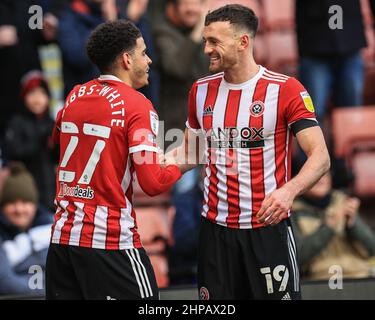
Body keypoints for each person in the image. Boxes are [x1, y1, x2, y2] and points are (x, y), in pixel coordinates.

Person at [163, 4, 330, 300]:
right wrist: (151, 165)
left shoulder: (285, 89)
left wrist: (289, 192)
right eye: (205, 40)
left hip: (267, 229)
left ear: (243, 42)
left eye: (214, 41)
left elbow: (320, 157)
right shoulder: (200, 90)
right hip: (215, 232)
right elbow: (190, 154)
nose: (206, 49)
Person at [45, 20, 182, 300]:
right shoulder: (137, 105)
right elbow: (153, 182)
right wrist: (187, 160)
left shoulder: (74, 95)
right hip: (109, 242)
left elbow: (54, 145)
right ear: (127, 59)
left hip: (62, 243)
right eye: (144, 53)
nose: (150, 59)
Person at [291, 171, 375, 280]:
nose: (320, 179)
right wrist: (329, 227)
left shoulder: (344, 202)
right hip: (319, 281)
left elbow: (372, 249)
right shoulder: (293, 212)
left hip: (359, 275)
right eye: (313, 174)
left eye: (324, 174)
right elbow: (298, 257)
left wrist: (353, 224)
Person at [5, 70, 58, 211]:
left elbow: (58, 158)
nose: (37, 99)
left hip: (51, 189)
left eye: (42, 93)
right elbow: (14, 151)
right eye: (32, 94)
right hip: (26, 190)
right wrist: (39, 141)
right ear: (23, 97)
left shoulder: (52, 122)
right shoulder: (17, 122)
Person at [0, 162, 53, 296]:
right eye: (11, 203)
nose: (19, 209)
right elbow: (5, 283)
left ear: (35, 204)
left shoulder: (51, 229)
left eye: (25, 202)